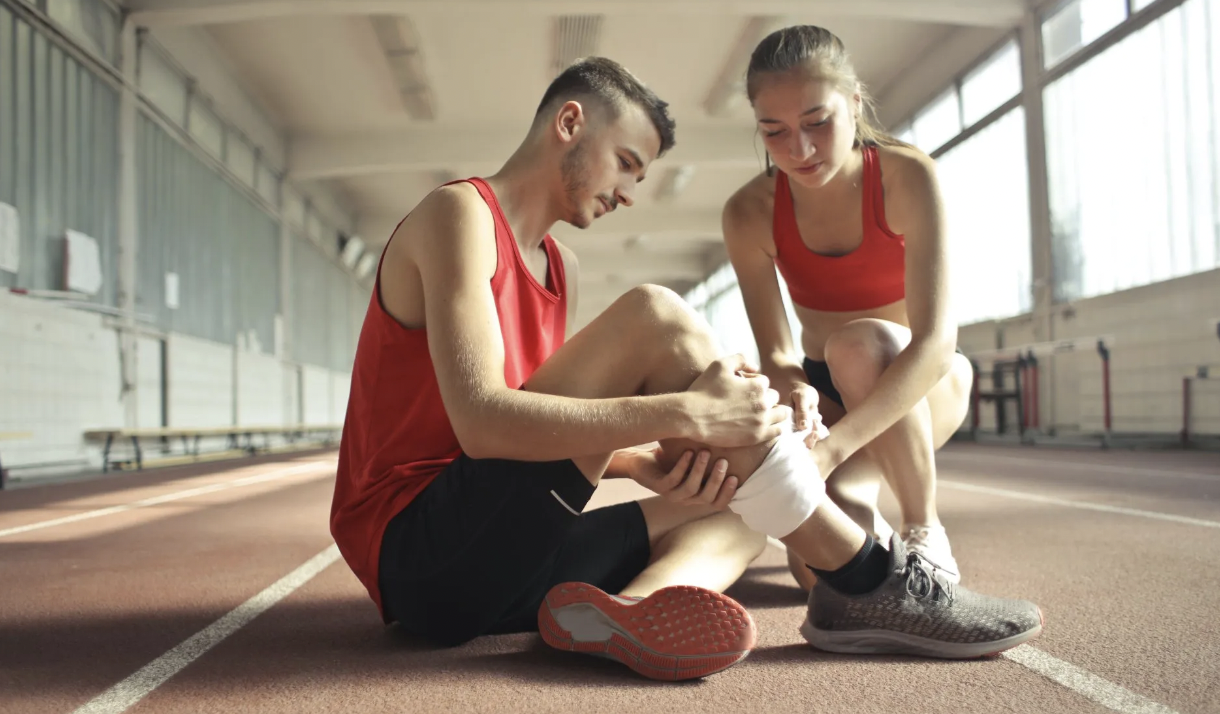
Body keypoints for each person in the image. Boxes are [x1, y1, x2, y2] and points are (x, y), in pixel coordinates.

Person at [330, 56, 1042, 683]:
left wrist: (644, 462)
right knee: (654, 314)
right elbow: (484, 426)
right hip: (421, 558)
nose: (630, 193)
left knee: (739, 499)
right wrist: (685, 416)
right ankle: (866, 577)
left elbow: (534, 438)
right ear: (570, 123)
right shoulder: (459, 215)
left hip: (496, 568)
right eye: (627, 164)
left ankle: (631, 612)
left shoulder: (561, 268)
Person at [722, 25, 974, 588]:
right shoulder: (749, 212)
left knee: (860, 343)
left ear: (855, 103)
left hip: (922, 382)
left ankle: (922, 526)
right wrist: (797, 391)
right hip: (829, 394)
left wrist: (833, 450)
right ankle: (863, 501)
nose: (800, 149)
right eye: (774, 131)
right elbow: (779, 351)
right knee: (819, 575)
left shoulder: (908, 177)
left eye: (817, 122)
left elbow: (935, 344)